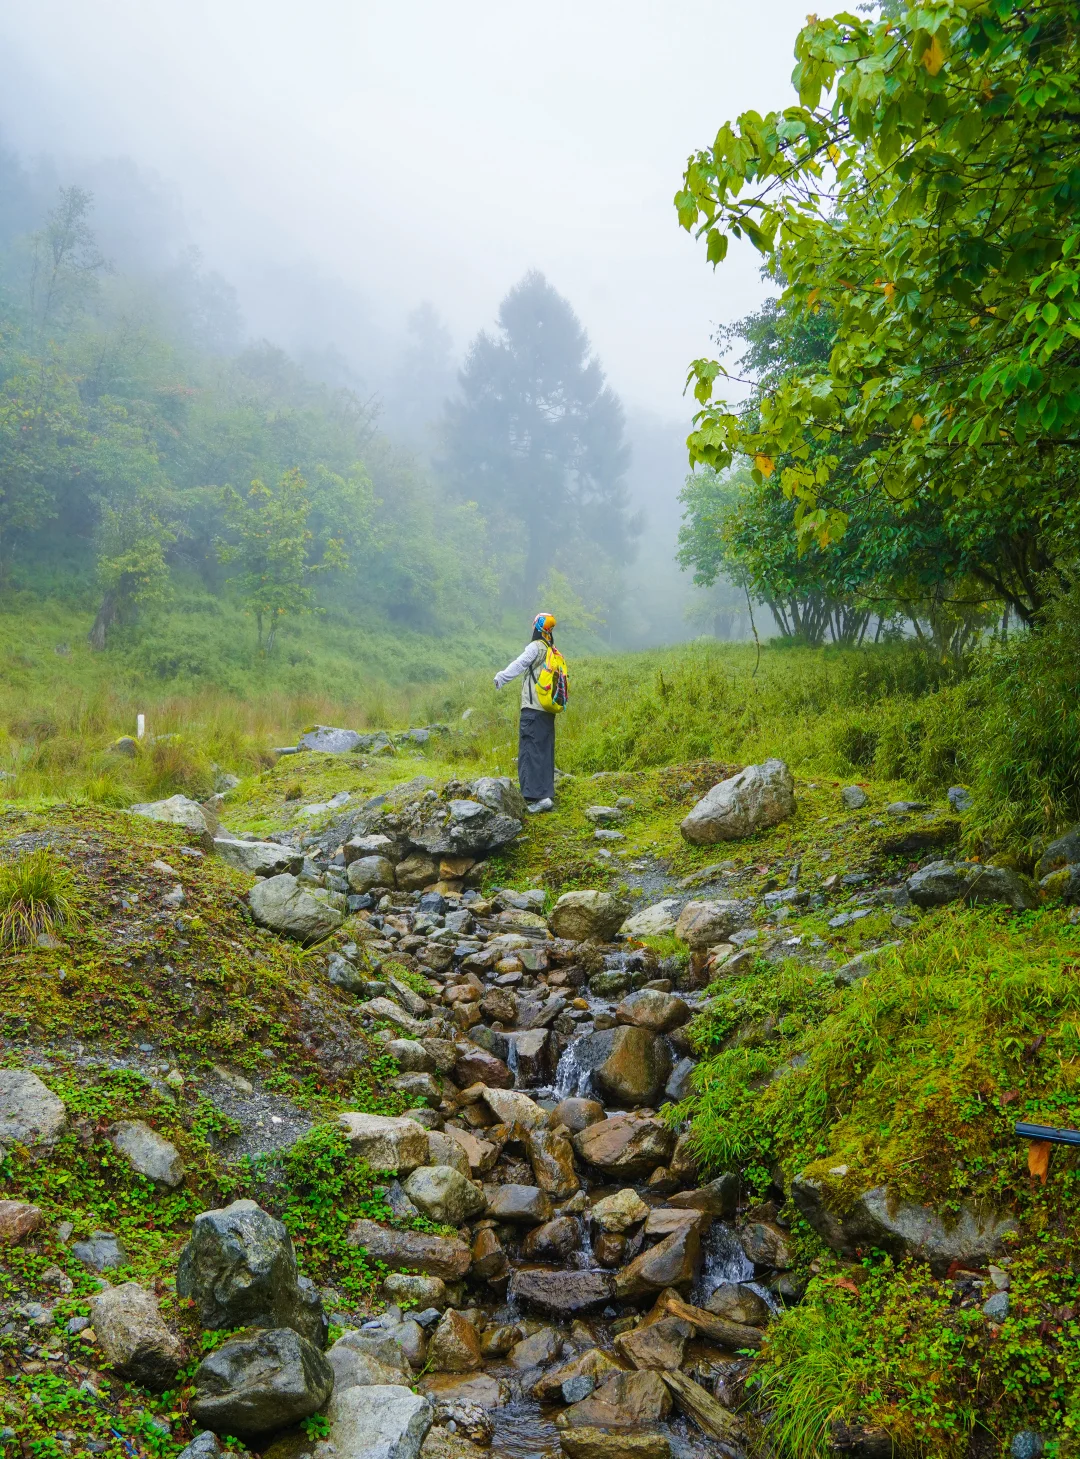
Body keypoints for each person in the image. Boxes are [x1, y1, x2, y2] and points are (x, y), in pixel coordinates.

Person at [494, 611, 559, 813]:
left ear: (537, 628)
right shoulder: (551, 650)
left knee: (530, 751)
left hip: (533, 709)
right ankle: (545, 793)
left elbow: (520, 663)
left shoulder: (535, 648)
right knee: (544, 751)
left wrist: (502, 677)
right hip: (547, 709)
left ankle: (538, 798)